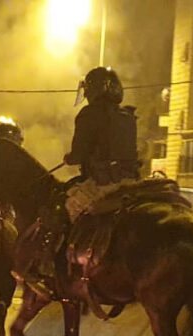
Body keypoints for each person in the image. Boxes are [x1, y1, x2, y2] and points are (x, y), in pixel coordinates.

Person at [63, 67, 140, 221]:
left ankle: (77, 244)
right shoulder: (127, 115)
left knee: (68, 207)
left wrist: (68, 158)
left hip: (103, 183)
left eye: (88, 89)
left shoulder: (89, 114)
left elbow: (78, 154)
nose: (86, 94)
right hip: (132, 182)